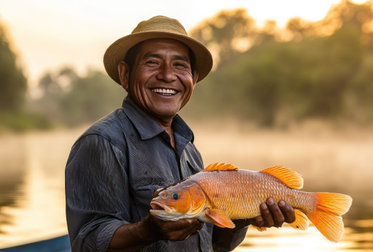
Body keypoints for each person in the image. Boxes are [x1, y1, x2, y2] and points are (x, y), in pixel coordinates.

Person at [65, 15, 296, 252]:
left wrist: (244, 218)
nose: (167, 75)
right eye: (152, 62)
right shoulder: (102, 142)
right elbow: (85, 243)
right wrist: (147, 231)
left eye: (180, 65)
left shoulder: (189, 150)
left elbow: (213, 244)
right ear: (125, 74)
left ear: (193, 79)